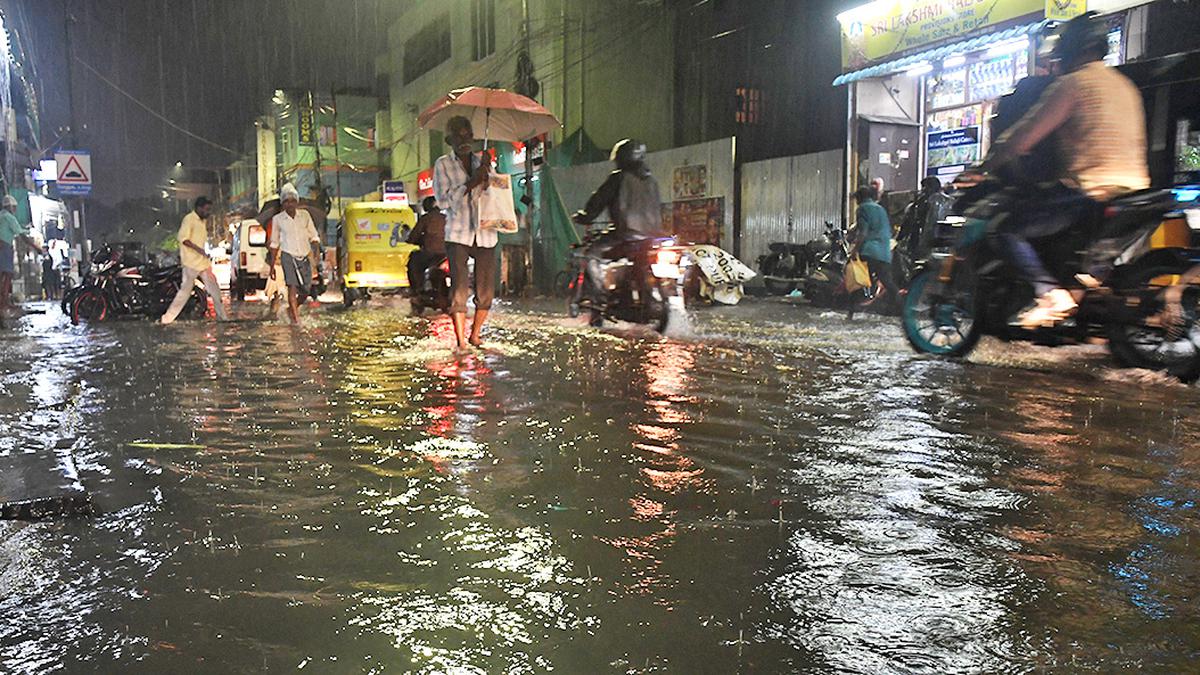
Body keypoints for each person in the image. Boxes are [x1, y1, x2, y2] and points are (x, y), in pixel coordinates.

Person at [981, 12, 1149, 328]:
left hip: (1089, 190)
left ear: (1073, 49)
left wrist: (988, 163)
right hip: (1136, 193)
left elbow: (1024, 135)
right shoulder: (1125, 86)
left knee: (1005, 229)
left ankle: (1048, 294)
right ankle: (1070, 302)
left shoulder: (1072, 84)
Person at [571, 138, 667, 302]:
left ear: (621, 158)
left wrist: (585, 216)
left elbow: (598, 201)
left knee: (591, 255)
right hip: (653, 237)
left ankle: (601, 295)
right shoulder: (652, 181)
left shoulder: (619, 178)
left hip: (625, 235)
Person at [433, 115, 496, 352]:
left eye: (467, 134)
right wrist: (470, 183)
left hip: (486, 232)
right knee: (459, 289)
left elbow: (494, 196)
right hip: (458, 233)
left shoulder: (484, 161)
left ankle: (475, 335)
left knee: (486, 290)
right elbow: (442, 201)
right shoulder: (442, 165)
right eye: (458, 135)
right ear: (449, 140)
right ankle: (460, 340)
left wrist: (489, 174)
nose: (464, 139)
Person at [161, 196, 229, 324]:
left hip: (203, 263)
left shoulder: (202, 221)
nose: (208, 212)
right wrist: (200, 250)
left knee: (215, 291)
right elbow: (184, 239)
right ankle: (166, 319)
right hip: (191, 263)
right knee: (184, 293)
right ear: (199, 208)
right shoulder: (189, 219)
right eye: (207, 209)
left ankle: (223, 318)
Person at [267, 183, 322, 324]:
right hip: (288, 255)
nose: (290, 204)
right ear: (283, 204)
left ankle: (292, 308)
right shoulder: (278, 219)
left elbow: (314, 236)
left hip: (304, 255)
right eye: (286, 201)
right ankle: (296, 320)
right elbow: (274, 243)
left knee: (306, 289)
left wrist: (315, 254)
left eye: (292, 201)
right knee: (292, 286)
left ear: (297, 202)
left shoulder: (305, 216)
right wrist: (272, 266)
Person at [851, 186, 898, 305]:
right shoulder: (880, 209)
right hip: (885, 252)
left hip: (869, 251)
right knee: (887, 282)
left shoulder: (862, 208)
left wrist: (854, 250)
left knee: (859, 280)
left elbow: (863, 232)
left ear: (860, 198)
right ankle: (902, 308)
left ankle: (852, 312)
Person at [0, 194, 44, 312]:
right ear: (10, 207)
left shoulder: (1, 216)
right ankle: (3, 304)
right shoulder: (9, 217)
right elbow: (22, 235)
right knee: (7, 276)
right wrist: (37, 247)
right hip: (4, 247)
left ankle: (4, 302)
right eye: (14, 208)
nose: (15, 210)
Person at [898, 177, 950, 260]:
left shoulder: (921, 203)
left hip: (923, 245)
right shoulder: (949, 201)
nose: (923, 190)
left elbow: (910, 222)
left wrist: (900, 238)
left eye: (924, 187)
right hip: (945, 246)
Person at [406, 196, 447, 295]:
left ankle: (417, 290)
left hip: (430, 254)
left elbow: (413, 236)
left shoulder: (425, 219)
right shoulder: (446, 218)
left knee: (413, 264)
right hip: (447, 253)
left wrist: (411, 240)